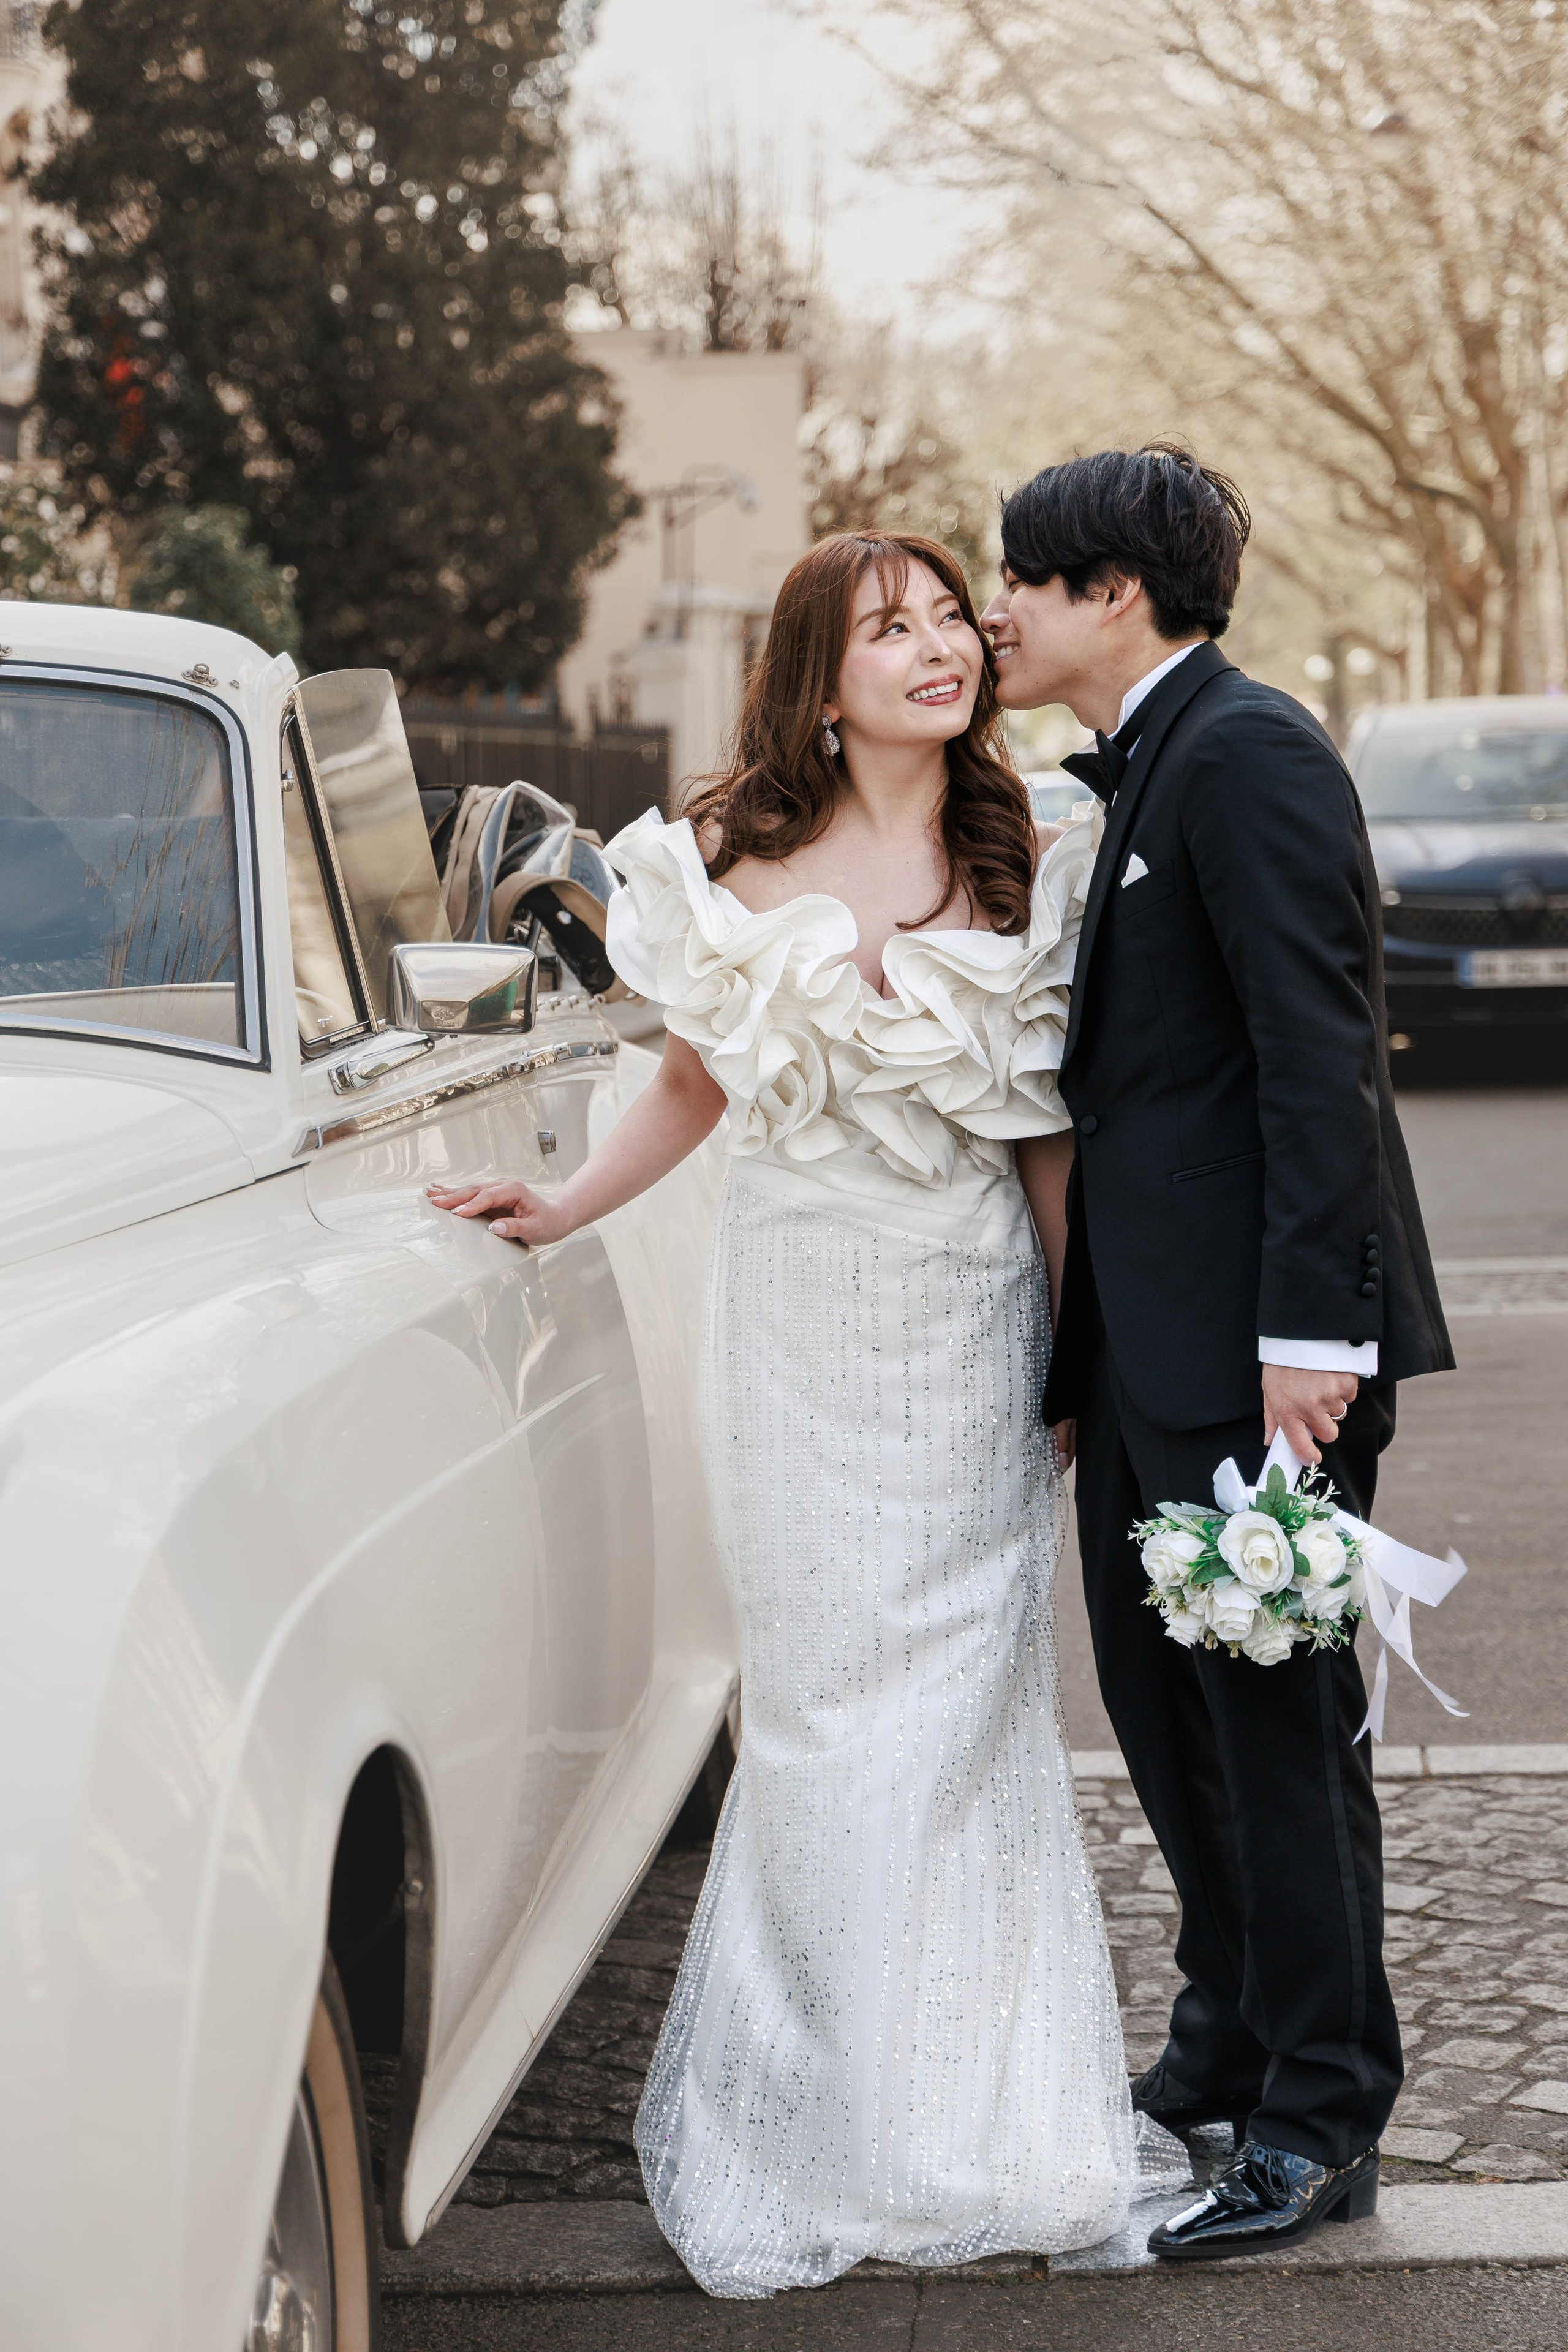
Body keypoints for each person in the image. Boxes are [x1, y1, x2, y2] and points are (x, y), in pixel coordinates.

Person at [428, 532, 1161, 2297]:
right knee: (826, 1712)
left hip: (971, 1328)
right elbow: (691, 1074)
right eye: (888, 632)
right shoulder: (714, 857)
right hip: (796, 1327)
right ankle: (827, 2119)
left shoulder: (1030, 846)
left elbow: (1044, 1136)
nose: (939, 654)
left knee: (975, 1708)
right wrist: (564, 1206)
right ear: (817, 675)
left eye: (945, 625)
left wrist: (1077, 1358)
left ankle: (987, 2113)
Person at [981, 443, 1453, 2259]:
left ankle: (1321, 2118)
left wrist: (1311, 1340)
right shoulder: (1146, 767)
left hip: (1269, 1360)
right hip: (1150, 1353)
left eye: (1023, 577)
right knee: (1175, 1728)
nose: (997, 607)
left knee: (1279, 1743)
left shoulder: (1249, 751)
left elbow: (1318, 1055)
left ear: (1114, 594)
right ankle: (1224, 2038)